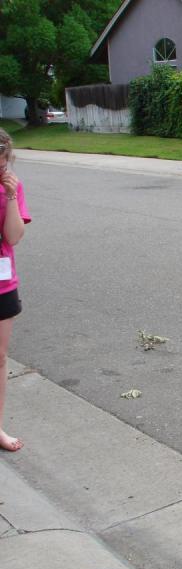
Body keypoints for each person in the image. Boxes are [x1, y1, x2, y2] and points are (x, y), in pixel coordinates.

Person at [0, 128, 30, 452]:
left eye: (3, 160)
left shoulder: (13, 186)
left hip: (2, 282)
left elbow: (13, 236)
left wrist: (9, 196)